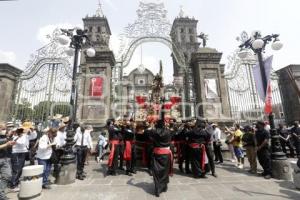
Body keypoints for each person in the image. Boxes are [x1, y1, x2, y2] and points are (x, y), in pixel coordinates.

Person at [151, 117, 172, 197]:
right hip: (166, 153)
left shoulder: (154, 131)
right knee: (165, 171)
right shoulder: (168, 131)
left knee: (156, 171)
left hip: (157, 153)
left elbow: (148, 135)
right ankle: (163, 186)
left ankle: (158, 188)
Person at [10, 124, 30, 191]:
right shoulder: (14, 136)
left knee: (20, 169)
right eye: (20, 130)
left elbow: (26, 142)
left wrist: (24, 134)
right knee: (16, 170)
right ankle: (13, 185)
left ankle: (16, 182)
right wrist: (19, 136)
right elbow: (22, 143)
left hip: (22, 153)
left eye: (22, 130)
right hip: (16, 153)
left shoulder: (24, 136)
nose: (22, 131)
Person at [0, 123, 15, 200]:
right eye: (3, 129)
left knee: (7, 175)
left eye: (5, 129)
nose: (4, 130)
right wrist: (6, 144)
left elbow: (6, 145)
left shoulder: (5, 136)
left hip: (5, 159)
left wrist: (10, 144)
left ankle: (1, 195)